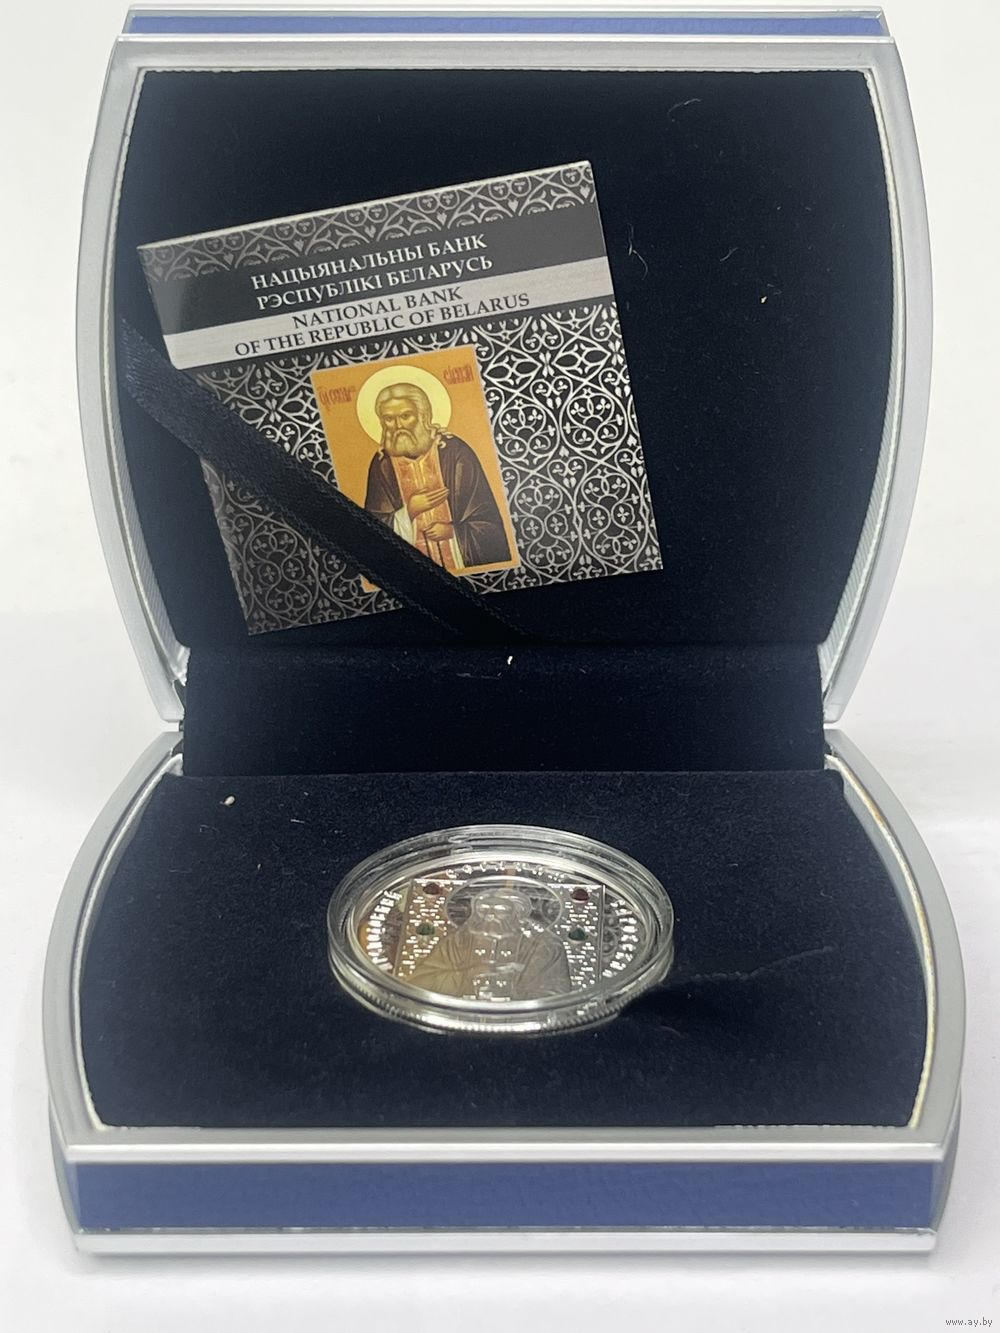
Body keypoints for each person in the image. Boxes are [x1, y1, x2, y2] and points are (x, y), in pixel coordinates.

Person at [363, 382, 511, 569]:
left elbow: (487, 521)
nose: (398, 425)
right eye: (389, 419)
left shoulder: (455, 453)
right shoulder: (382, 464)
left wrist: (453, 531)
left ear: (423, 415)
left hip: (460, 561)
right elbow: (372, 532)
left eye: (406, 416)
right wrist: (409, 511)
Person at [409, 885, 572, 1001]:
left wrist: (510, 987)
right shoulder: (459, 940)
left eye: (500, 910)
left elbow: (556, 996)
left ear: (518, 914)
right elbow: (419, 982)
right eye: (483, 910)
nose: (490, 915)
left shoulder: (545, 944)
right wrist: (467, 977)